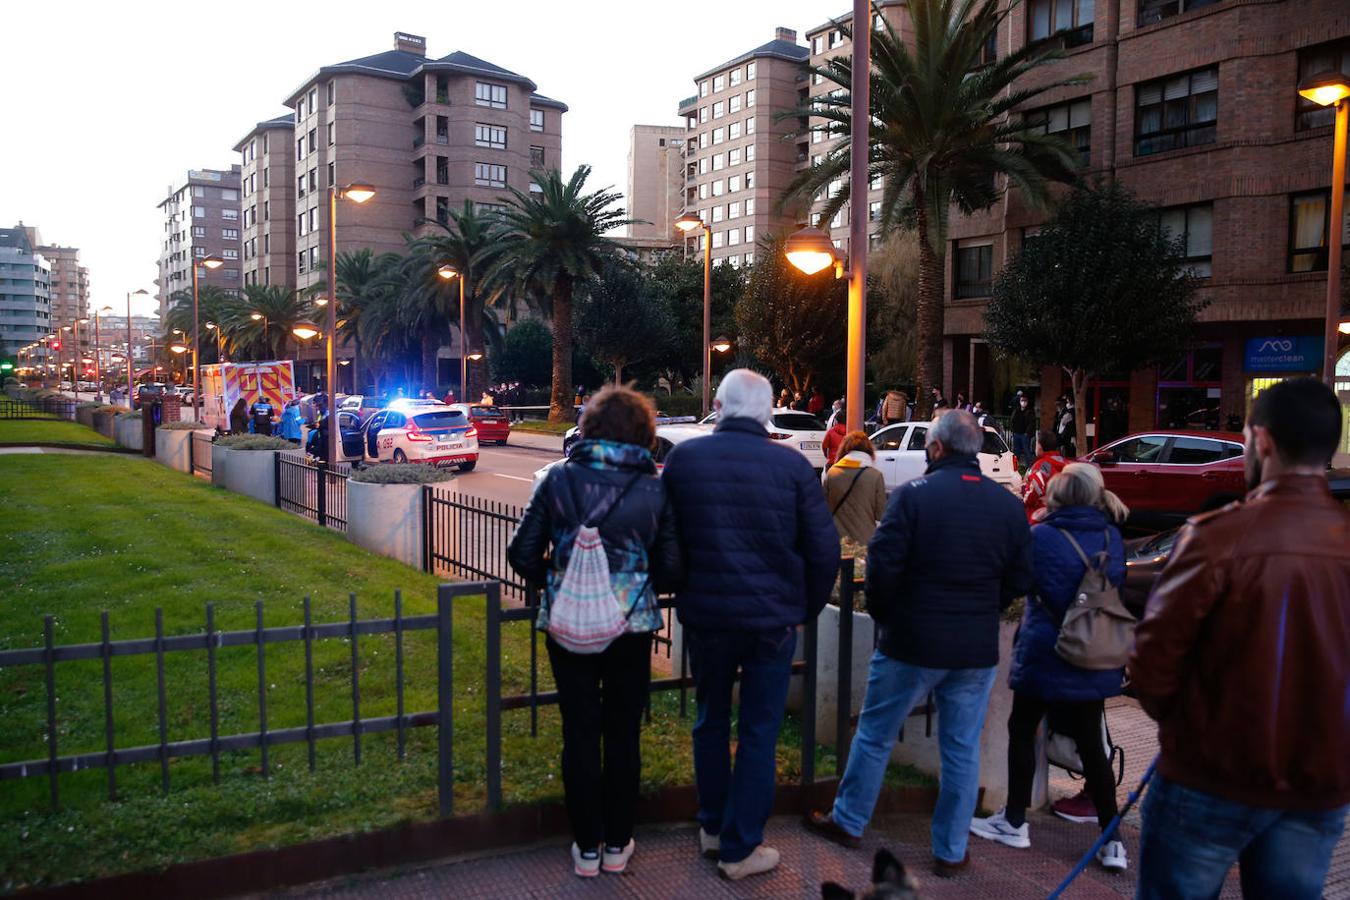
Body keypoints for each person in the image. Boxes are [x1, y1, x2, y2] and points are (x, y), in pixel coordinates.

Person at [1128, 378, 1350, 899]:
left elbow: (1152, 666)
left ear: (1263, 442)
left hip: (1208, 778)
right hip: (1318, 785)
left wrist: (1187, 732)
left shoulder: (1215, 537)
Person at [805, 411, 1033, 878]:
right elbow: (1020, 577)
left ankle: (849, 823)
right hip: (973, 648)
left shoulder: (913, 498)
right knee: (961, 749)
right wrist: (985, 607)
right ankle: (950, 851)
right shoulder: (1006, 506)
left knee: (874, 735)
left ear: (936, 449)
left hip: (910, 641)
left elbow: (882, 571)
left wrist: (889, 618)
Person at [661, 369, 839, 881]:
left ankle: (713, 828)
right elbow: (824, 549)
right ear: (766, 413)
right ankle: (741, 848)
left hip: (707, 615)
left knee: (711, 719)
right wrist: (802, 606)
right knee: (760, 730)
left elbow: (668, 537)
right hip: (772, 620)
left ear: (718, 404)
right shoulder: (792, 467)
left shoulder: (685, 459)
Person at [507, 386, 684, 879]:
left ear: (587, 428)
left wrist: (559, 579)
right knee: (623, 733)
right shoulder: (655, 487)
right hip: (631, 627)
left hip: (569, 624)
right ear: (645, 434)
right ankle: (618, 843)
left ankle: (586, 847)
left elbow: (521, 553)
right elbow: (672, 568)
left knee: (579, 732)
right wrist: (633, 582)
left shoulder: (559, 479)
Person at [970, 463, 1130, 872]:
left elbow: (1018, 583)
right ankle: (1112, 841)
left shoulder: (1041, 536)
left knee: (1023, 730)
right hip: (1092, 652)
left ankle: (1014, 820)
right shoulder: (1113, 537)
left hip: (1046, 650)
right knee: (1092, 746)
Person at [822, 431, 889, 545]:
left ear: (844, 449)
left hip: (837, 542)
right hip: (863, 543)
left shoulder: (832, 473)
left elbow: (824, 509)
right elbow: (881, 513)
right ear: (869, 451)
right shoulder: (875, 475)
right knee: (859, 563)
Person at [1023, 430, 1067, 523]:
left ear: (1039, 446)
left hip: (1040, 516)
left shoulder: (1041, 465)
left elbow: (1034, 489)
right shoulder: (1065, 462)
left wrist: (1024, 497)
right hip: (1063, 513)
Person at [1008, 393, 1035, 468]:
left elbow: (1031, 423)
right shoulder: (1016, 410)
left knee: (1027, 451)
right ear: (1019, 401)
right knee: (1016, 451)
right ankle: (1016, 467)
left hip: (1024, 435)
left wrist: (1027, 433)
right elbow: (1012, 420)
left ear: (1027, 401)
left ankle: (1029, 467)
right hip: (1016, 433)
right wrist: (1012, 430)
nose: (1023, 402)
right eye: (1022, 400)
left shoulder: (1030, 411)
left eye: (1025, 400)